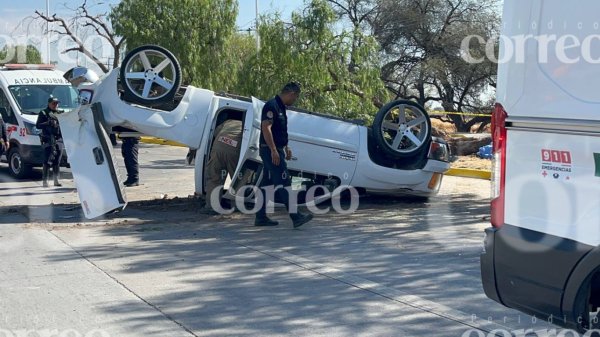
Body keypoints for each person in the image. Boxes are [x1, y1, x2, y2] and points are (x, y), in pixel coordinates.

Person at [255, 82, 313, 228]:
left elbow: (279, 130)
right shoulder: (272, 105)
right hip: (270, 151)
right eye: (296, 97)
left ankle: (260, 217)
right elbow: (266, 128)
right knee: (284, 182)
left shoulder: (281, 107)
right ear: (291, 93)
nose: (295, 101)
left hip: (277, 149)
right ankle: (296, 216)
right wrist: (274, 150)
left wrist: (286, 147)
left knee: (266, 184)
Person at [200, 119, 243, 215]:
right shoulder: (247, 124)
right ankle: (237, 205)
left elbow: (214, 134)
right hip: (234, 151)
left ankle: (211, 206)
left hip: (218, 148)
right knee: (238, 180)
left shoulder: (227, 122)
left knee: (214, 178)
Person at [36, 96, 63, 187]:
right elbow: (38, 125)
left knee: (57, 160)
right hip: (48, 138)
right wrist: (48, 123)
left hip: (58, 139)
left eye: (57, 103)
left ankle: (56, 180)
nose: (55, 105)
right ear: (49, 103)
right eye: (53, 103)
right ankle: (45, 181)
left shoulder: (60, 113)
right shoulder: (43, 113)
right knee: (47, 160)